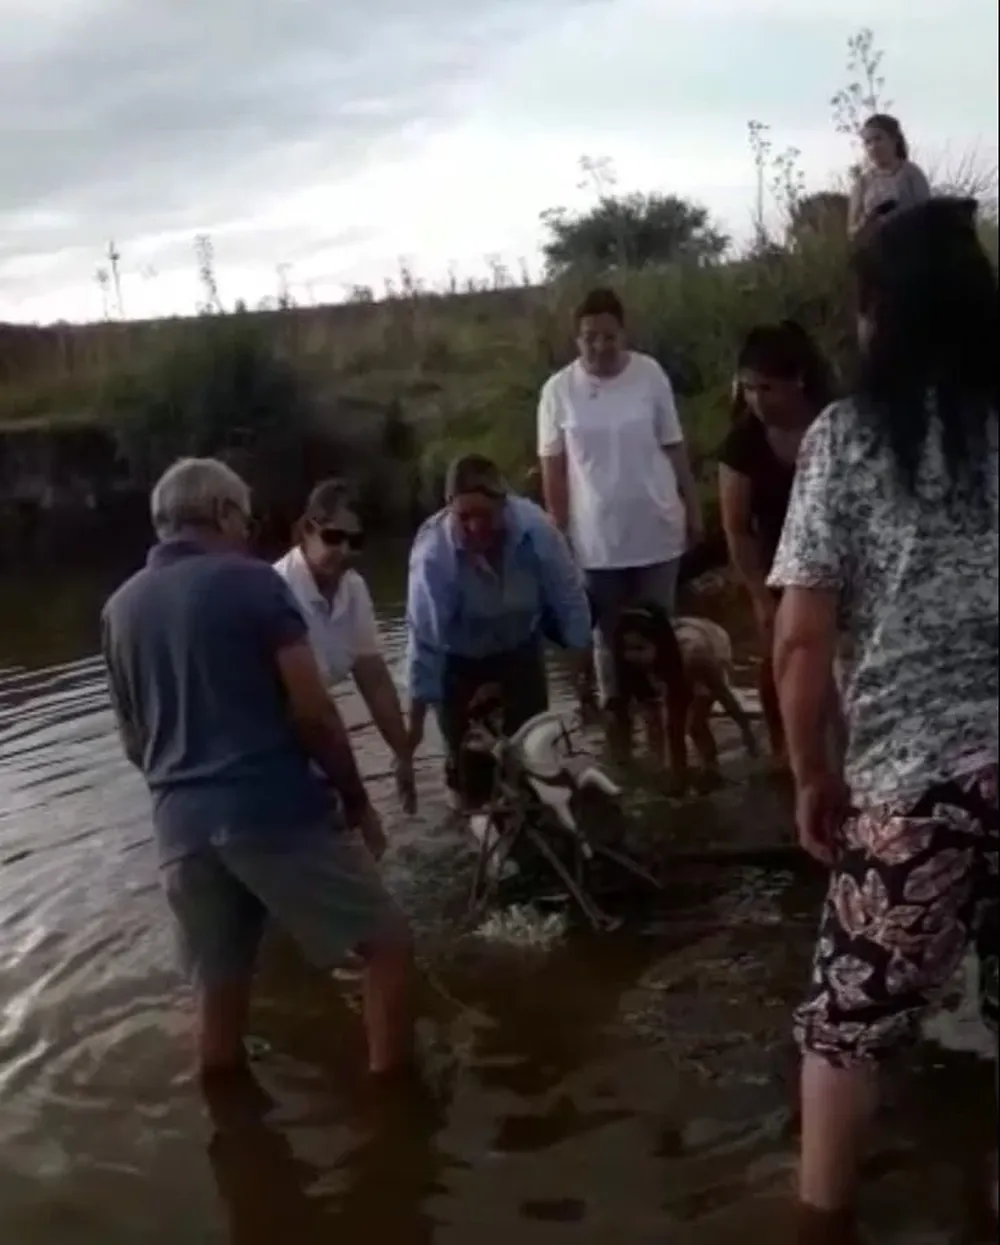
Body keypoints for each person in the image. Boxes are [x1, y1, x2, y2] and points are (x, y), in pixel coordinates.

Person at [769, 199, 998, 1244]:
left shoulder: (846, 439)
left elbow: (801, 642)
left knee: (845, 1026)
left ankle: (822, 1224)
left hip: (913, 782)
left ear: (882, 318)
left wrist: (810, 774)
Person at [101, 457, 414, 1079]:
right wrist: (355, 802)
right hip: (268, 810)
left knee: (219, 994)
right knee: (389, 948)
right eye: (244, 518)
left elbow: (135, 742)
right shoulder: (253, 583)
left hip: (178, 829)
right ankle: (397, 1122)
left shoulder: (120, 608)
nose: (248, 532)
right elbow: (314, 713)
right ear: (220, 513)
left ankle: (234, 1140)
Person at [536, 287, 703, 741]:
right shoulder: (558, 391)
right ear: (577, 339)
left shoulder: (649, 374)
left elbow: (673, 443)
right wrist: (559, 532)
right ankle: (618, 722)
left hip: (656, 525)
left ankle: (670, 718)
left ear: (622, 333)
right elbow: (553, 466)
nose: (600, 346)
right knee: (606, 636)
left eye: (609, 336)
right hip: (595, 539)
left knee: (659, 630)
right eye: (590, 337)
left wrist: (692, 504)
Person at [405, 453, 592, 812]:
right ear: (448, 511)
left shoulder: (538, 532)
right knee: (469, 771)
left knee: (534, 754)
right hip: (458, 658)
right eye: (464, 517)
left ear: (504, 504)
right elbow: (423, 647)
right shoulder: (433, 556)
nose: (476, 527)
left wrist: (583, 674)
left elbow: (570, 599)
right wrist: (409, 742)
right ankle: (473, 832)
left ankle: (533, 824)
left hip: (519, 645)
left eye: (484, 515)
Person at [717, 320, 835, 765]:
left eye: (766, 388)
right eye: (747, 389)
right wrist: (758, 596)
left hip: (841, 562)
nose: (756, 401)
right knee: (777, 662)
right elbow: (736, 526)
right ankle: (784, 754)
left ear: (798, 379)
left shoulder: (837, 423)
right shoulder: (743, 442)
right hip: (777, 566)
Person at [274, 479, 415, 813]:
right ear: (309, 529)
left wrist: (403, 755)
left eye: (356, 541)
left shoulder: (354, 589)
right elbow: (310, 711)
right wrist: (359, 803)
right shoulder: (277, 589)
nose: (345, 551)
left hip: (314, 729)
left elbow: (375, 680)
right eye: (334, 538)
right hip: (275, 741)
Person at [614, 602, 757, 792]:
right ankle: (678, 776)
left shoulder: (695, 656)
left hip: (710, 640)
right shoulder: (632, 662)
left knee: (696, 724)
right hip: (676, 647)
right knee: (672, 725)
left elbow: (724, 695)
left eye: (640, 649)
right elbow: (670, 727)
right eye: (627, 649)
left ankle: (712, 769)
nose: (632, 656)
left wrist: (746, 730)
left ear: (659, 645)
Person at [847, 113, 931, 237]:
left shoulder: (911, 173)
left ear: (894, 139)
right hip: (876, 248)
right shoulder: (863, 182)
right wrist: (866, 223)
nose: (873, 147)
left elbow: (929, 218)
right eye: (868, 142)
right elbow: (851, 232)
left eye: (878, 139)